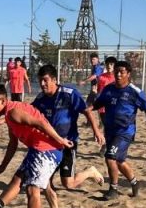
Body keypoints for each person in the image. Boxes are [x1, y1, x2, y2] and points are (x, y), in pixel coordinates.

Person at [30, 64, 105, 194]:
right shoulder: (41, 98)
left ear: (54, 80)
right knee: (44, 180)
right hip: (49, 143)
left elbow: (86, 111)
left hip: (68, 142)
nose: (42, 84)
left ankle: (90, 172)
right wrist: (7, 117)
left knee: (68, 184)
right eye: (40, 80)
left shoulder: (69, 94)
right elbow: (28, 112)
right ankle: (50, 194)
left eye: (45, 80)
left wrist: (96, 130)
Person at [92, 60, 146, 199]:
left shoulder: (135, 92)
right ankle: (134, 183)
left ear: (128, 74)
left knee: (110, 157)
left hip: (125, 132)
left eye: (121, 72)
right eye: (116, 71)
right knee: (119, 161)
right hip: (110, 130)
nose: (118, 74)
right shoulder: (109, 89)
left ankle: (113, 190)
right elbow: (98, 104)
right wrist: (89, 106)